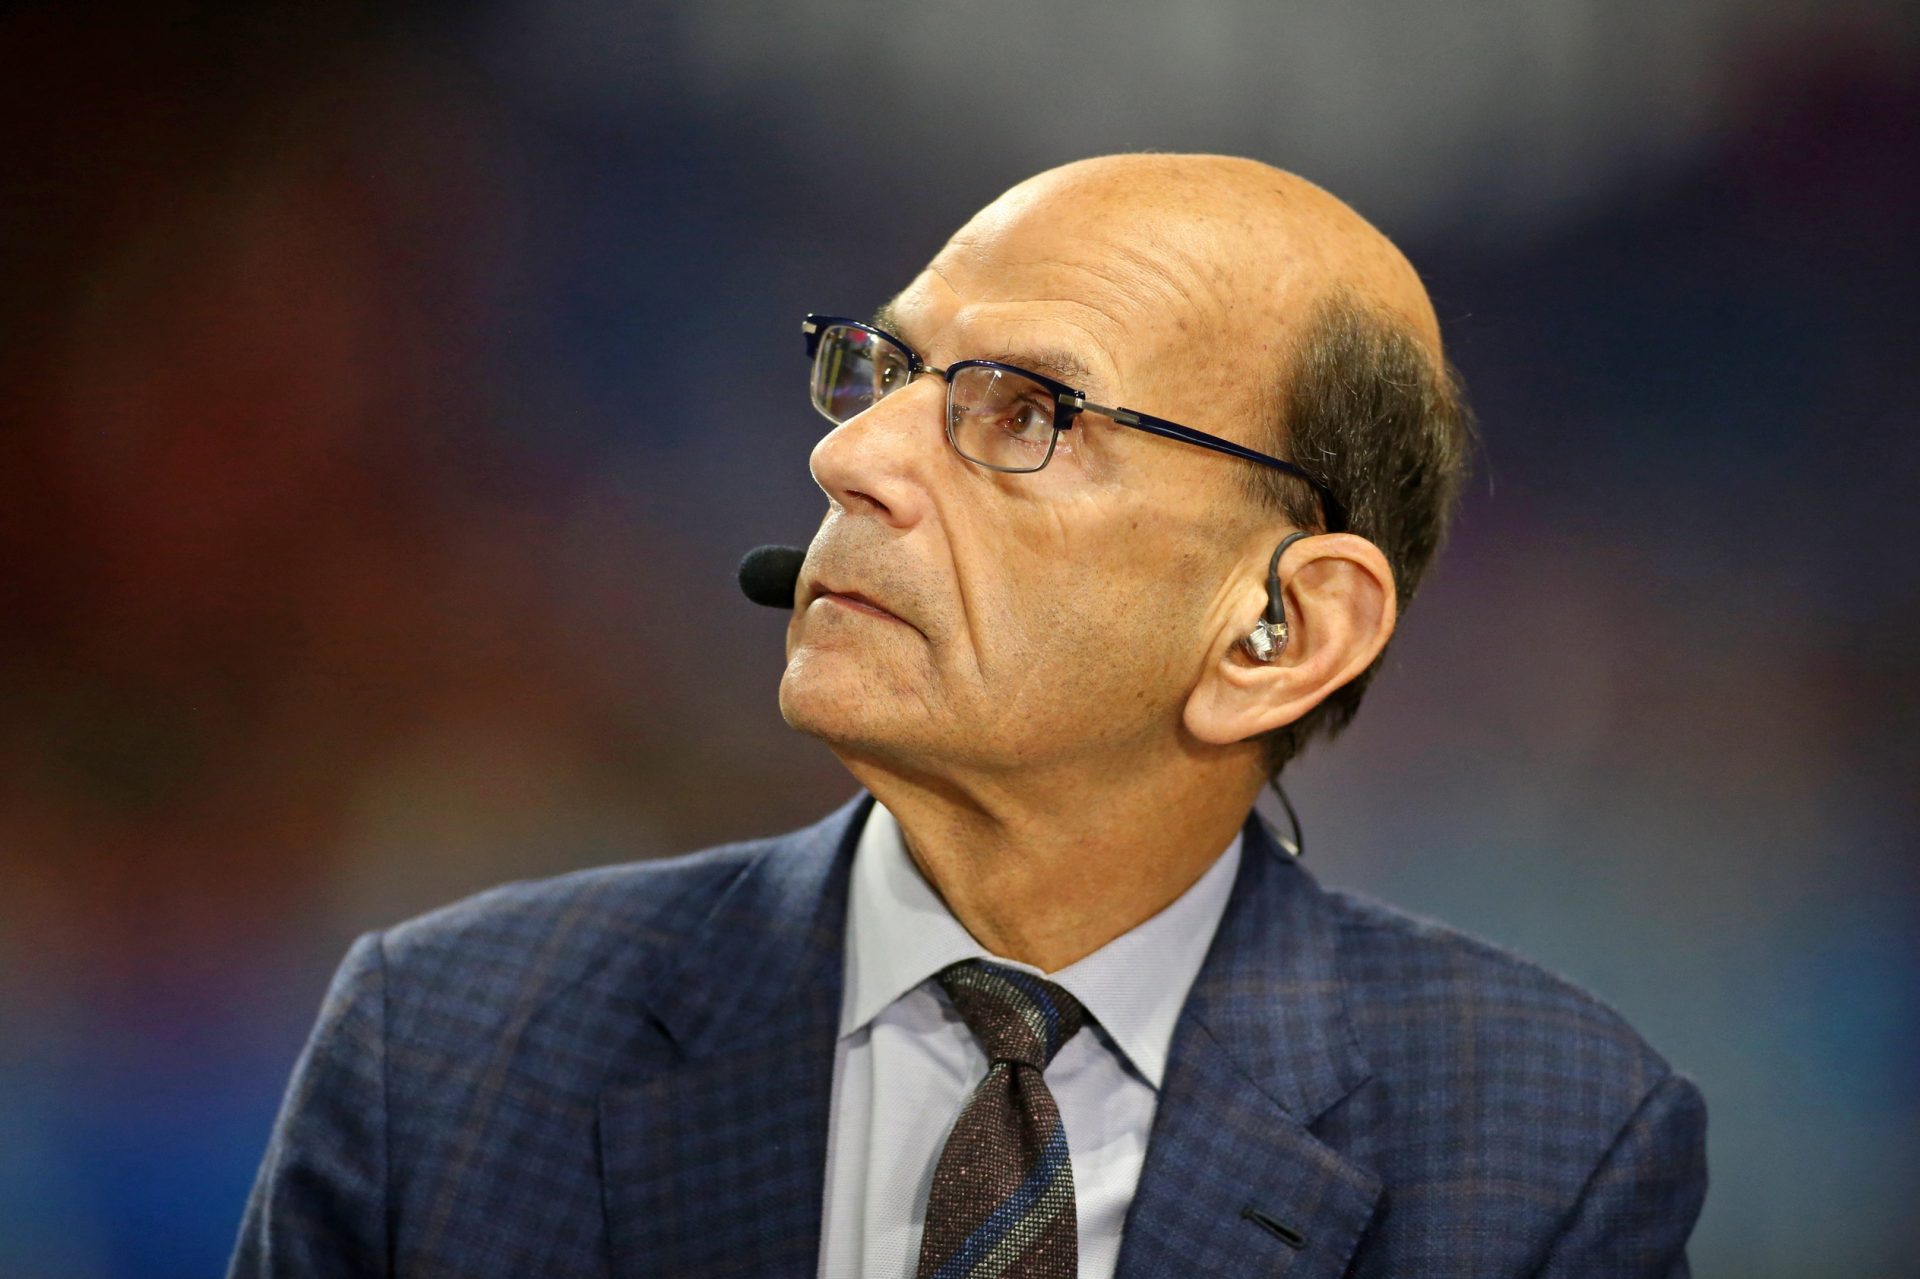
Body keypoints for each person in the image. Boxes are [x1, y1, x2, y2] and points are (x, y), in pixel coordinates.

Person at [231, 153, 1707, 1278]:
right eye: (880, 372)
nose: (854, 458)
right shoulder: (440, 1052)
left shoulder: (1551, 1145)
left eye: (1029, 410)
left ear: (1282, 630)